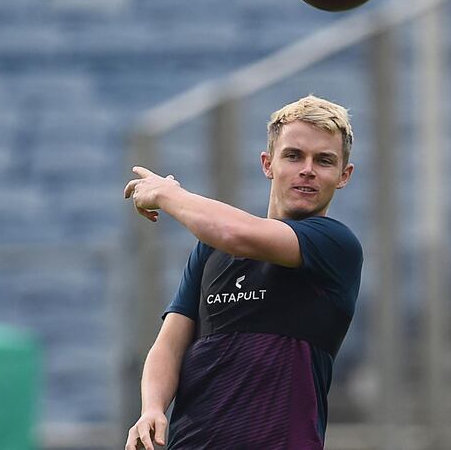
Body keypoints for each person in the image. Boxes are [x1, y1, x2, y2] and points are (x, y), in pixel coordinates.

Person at [122, 94, 363, 450]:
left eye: (324, 160)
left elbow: (236, 233)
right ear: (268, 164)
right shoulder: (210, 250)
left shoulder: (335, 245)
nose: (307, 169)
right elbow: (169, 344)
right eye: (293, 155)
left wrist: (168, 194)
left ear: (343, 176)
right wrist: (152, 408)